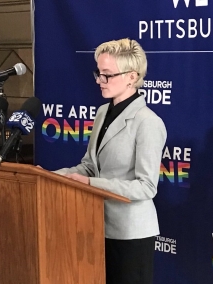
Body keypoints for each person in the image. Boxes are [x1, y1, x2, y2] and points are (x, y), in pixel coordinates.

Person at [53, 38, 167, 284]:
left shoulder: (148, 122)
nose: (99, 81)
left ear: (131, 77)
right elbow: (90, 166)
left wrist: (91, 184)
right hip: (95, 225)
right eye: (98, 73)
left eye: (107, 75)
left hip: (130, 234)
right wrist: (54, 176)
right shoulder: (102, 113)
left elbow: (146, 186)